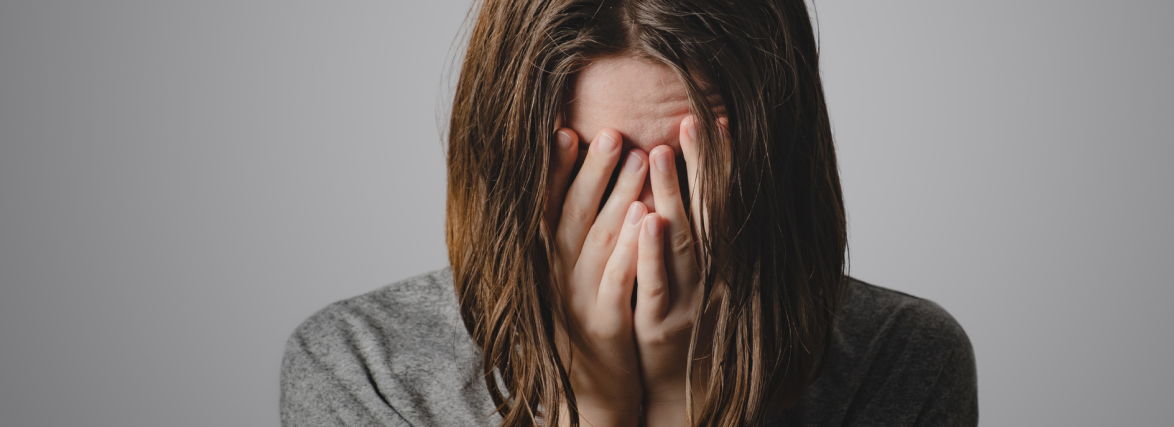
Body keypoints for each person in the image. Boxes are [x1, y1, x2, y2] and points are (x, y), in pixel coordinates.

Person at [279, 0, 977, 426]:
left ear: (773, 167)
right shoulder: (365, 370)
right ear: (513, 168)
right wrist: (593, 409)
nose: (648, 224)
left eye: (688, 167)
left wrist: (692, 407)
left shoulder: (901, 360)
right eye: (602, 171)